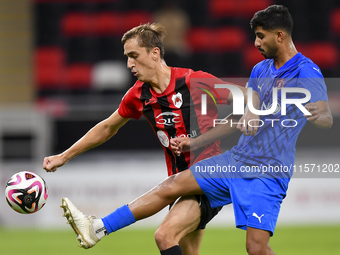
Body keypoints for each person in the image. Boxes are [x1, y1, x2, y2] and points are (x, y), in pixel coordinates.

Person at [56, 5, 333, 255]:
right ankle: (99, 228)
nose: (256, 42)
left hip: (268, 171)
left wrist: (302, 107)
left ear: (280, 36)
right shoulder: (261, 69)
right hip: (235, 160)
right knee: (170, 198)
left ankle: (98, 228)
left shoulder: (307, 71)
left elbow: (325, 118)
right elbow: (247, 102)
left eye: (261, 36)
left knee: (256, 248)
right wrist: (203, 137)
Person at [43, 23, 257, 254]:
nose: (129, 64)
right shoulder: (138, 95)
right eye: (127, 57)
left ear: (154, 53)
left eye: (134, 56)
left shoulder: (193, 82)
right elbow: (107, 127)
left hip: (214, 173)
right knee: (177, 243)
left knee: (164, 231)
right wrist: (63, 156)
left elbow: (250, 94)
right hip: (187, 185)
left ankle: (97, 228)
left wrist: (251, 112)